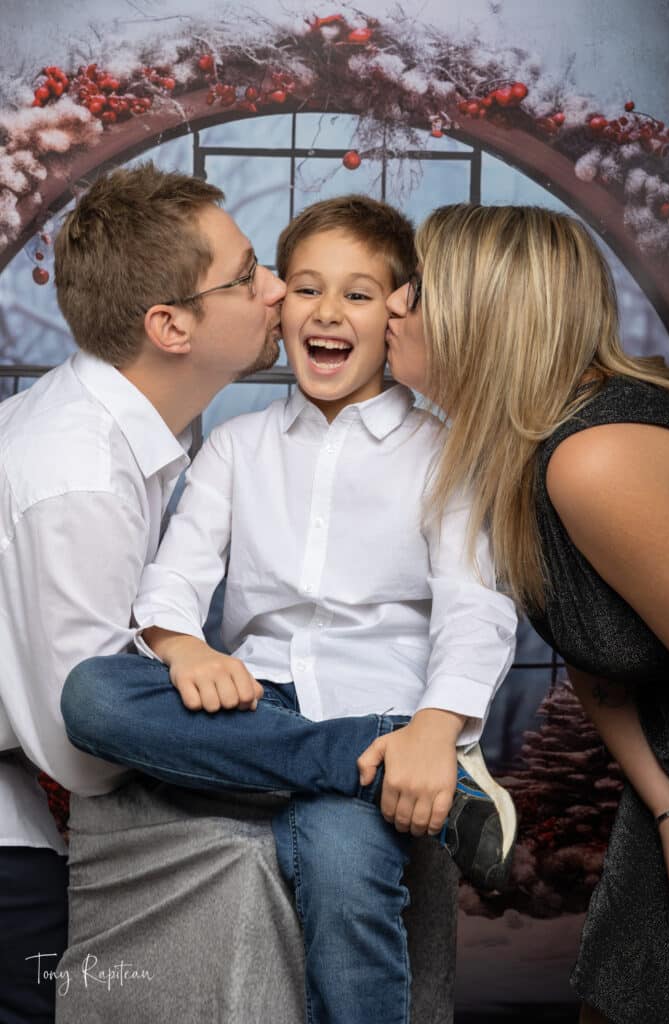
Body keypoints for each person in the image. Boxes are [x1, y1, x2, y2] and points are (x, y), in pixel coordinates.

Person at [62, 194, 518, 1024]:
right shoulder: (237, 445)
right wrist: (181, 649)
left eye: (358, 293)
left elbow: (473, 608)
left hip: (385, 710)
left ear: (398, 314)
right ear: (282, 309)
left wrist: (432, 726)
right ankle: (362, 761)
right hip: (256, 708)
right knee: (93, 694)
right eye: (305, 288)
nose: (327, 312)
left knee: (345, 870)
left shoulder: (446, 455)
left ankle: (381, 761)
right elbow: (174, 579)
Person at [0, 160, 300, 1023]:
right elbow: (83, 746)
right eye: (249, 274)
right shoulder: (81, 472)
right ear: (170, 325)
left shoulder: (107, 430)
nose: (276, 289)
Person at [383, 202, 669, 1024]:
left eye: (415, 289)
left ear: (482, 314)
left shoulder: (594, 458)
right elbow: (599, 666)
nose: (392, 305)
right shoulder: (518, 457)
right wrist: (666, 805)